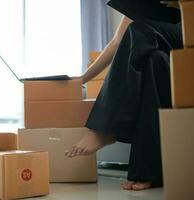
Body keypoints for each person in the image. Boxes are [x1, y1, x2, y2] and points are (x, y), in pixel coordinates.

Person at [65, 0, 182, 191]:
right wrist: (82, 79)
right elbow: (118, 40)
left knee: (141, 29)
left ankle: (104, 130)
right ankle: (146, 172)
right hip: (166, 49)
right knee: (154, 60)